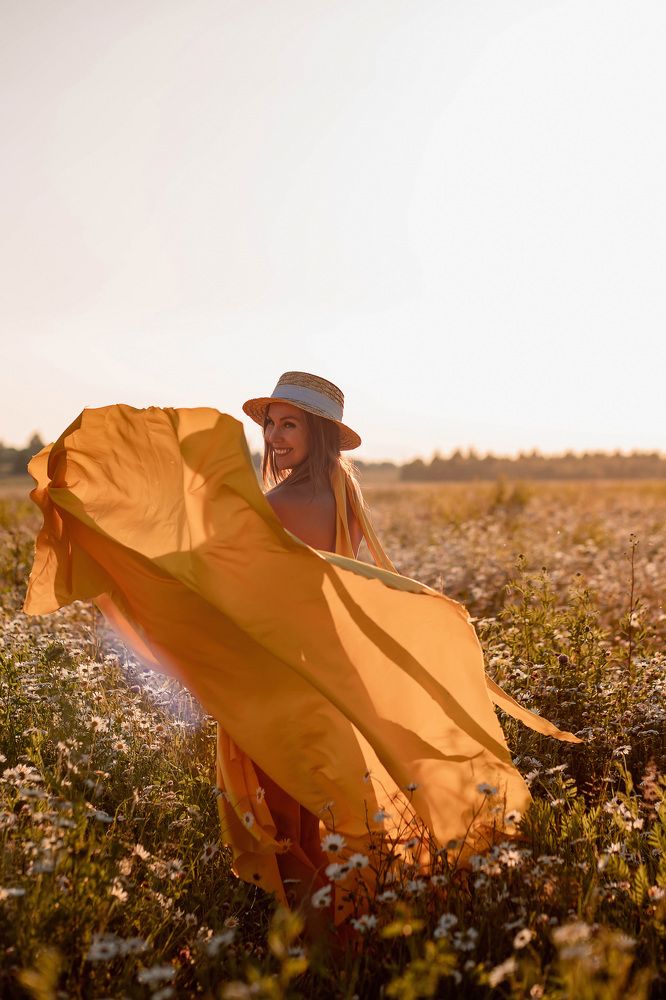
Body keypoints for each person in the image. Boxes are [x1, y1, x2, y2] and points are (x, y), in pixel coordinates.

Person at [22, 371, 580, 923]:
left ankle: (324, 946)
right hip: (324, 670)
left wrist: (110, 529)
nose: (274, 436)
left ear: (319, 432)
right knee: (322, 809)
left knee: (287, 819)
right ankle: (349, 929)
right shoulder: (341, 494)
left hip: (280, 676)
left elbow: (215, 573)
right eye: (270, 423)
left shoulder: (280, 504)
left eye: (289, 424)